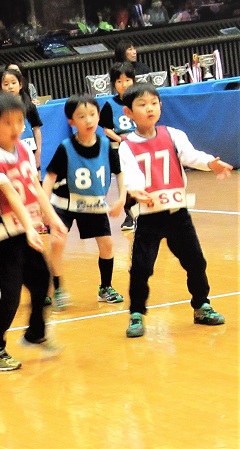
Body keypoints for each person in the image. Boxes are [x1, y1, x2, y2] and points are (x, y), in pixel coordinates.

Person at [117, 83, 232, 338]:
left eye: (153, 103)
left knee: (196, 261)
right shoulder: (127, 146)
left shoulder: (173, 135)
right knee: (140, 268)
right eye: (142, 104)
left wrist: (210, 163)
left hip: (177, 214)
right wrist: (136, 190)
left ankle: (201, 305)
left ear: (160, 106)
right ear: (128, 112)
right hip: (148, 217)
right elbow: (131, 173)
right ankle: (137, 314)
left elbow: (191, 156)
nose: (149, 108)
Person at [0, 93, 67, 371]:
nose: (16, 128)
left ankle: (35, 333)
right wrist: (31, 227)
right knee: (8, 293)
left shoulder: (22, 148)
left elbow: (34, 186)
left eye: (20, 121)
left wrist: (52, 217)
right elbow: (10, 194)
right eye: (8, 123)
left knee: (41, 278)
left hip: (21, 226)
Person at [42, 95, 130, 310]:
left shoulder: (107, 145)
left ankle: (106, 287)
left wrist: (121, 198)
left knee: (107, 244)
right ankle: (57, 288)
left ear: (99, 116)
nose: (88, 120)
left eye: (92, 114)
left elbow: (120, 173)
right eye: (81, 116)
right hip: (64, 203)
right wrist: (44, 208)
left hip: (93, 204)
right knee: (57, 242)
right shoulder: (66, 147)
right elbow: (50, 177)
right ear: (71, 121)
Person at [100, 62, 139, 231]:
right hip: (120, 148)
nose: (124, 84)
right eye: (119, 81)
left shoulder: (139, 101)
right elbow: (106, 129)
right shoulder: (110, 105)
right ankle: (130, 216)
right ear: (114, 83)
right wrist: (121, 140)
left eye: (127, 80)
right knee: (125, 182)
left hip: (138, 146)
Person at [0, 68, 44, 169]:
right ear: (1, 87)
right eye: (6, 84)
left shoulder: (29, 106)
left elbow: (36, 129)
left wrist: (38, 151)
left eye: (13, 83)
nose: (10, 86)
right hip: (9, 152)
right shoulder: (0, 109)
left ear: (20, 85)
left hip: (30, 149)